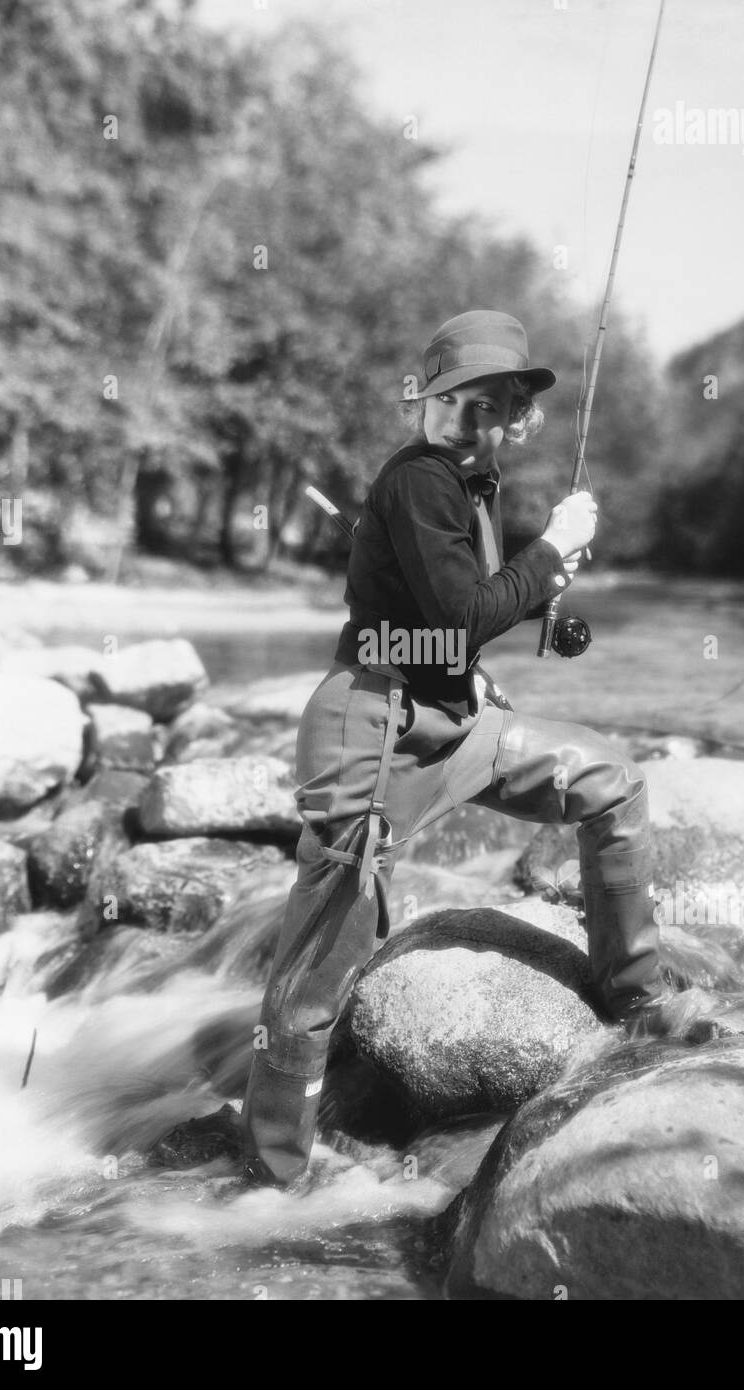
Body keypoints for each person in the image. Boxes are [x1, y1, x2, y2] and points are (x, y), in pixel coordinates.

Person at [237, 309, 665, 1192]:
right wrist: (553, 554)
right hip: (373, 731)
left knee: (611, 785)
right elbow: (460, 614)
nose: (465, 425)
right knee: (314, 984)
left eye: (486, 410)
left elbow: (466, 611)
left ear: (510, 417)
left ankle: (640, 1000)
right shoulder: (417, 482)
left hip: (459, 718)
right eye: (449, 405)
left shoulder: (478, 482)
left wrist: (544, 601)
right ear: (422, 402)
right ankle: (269, 1179)